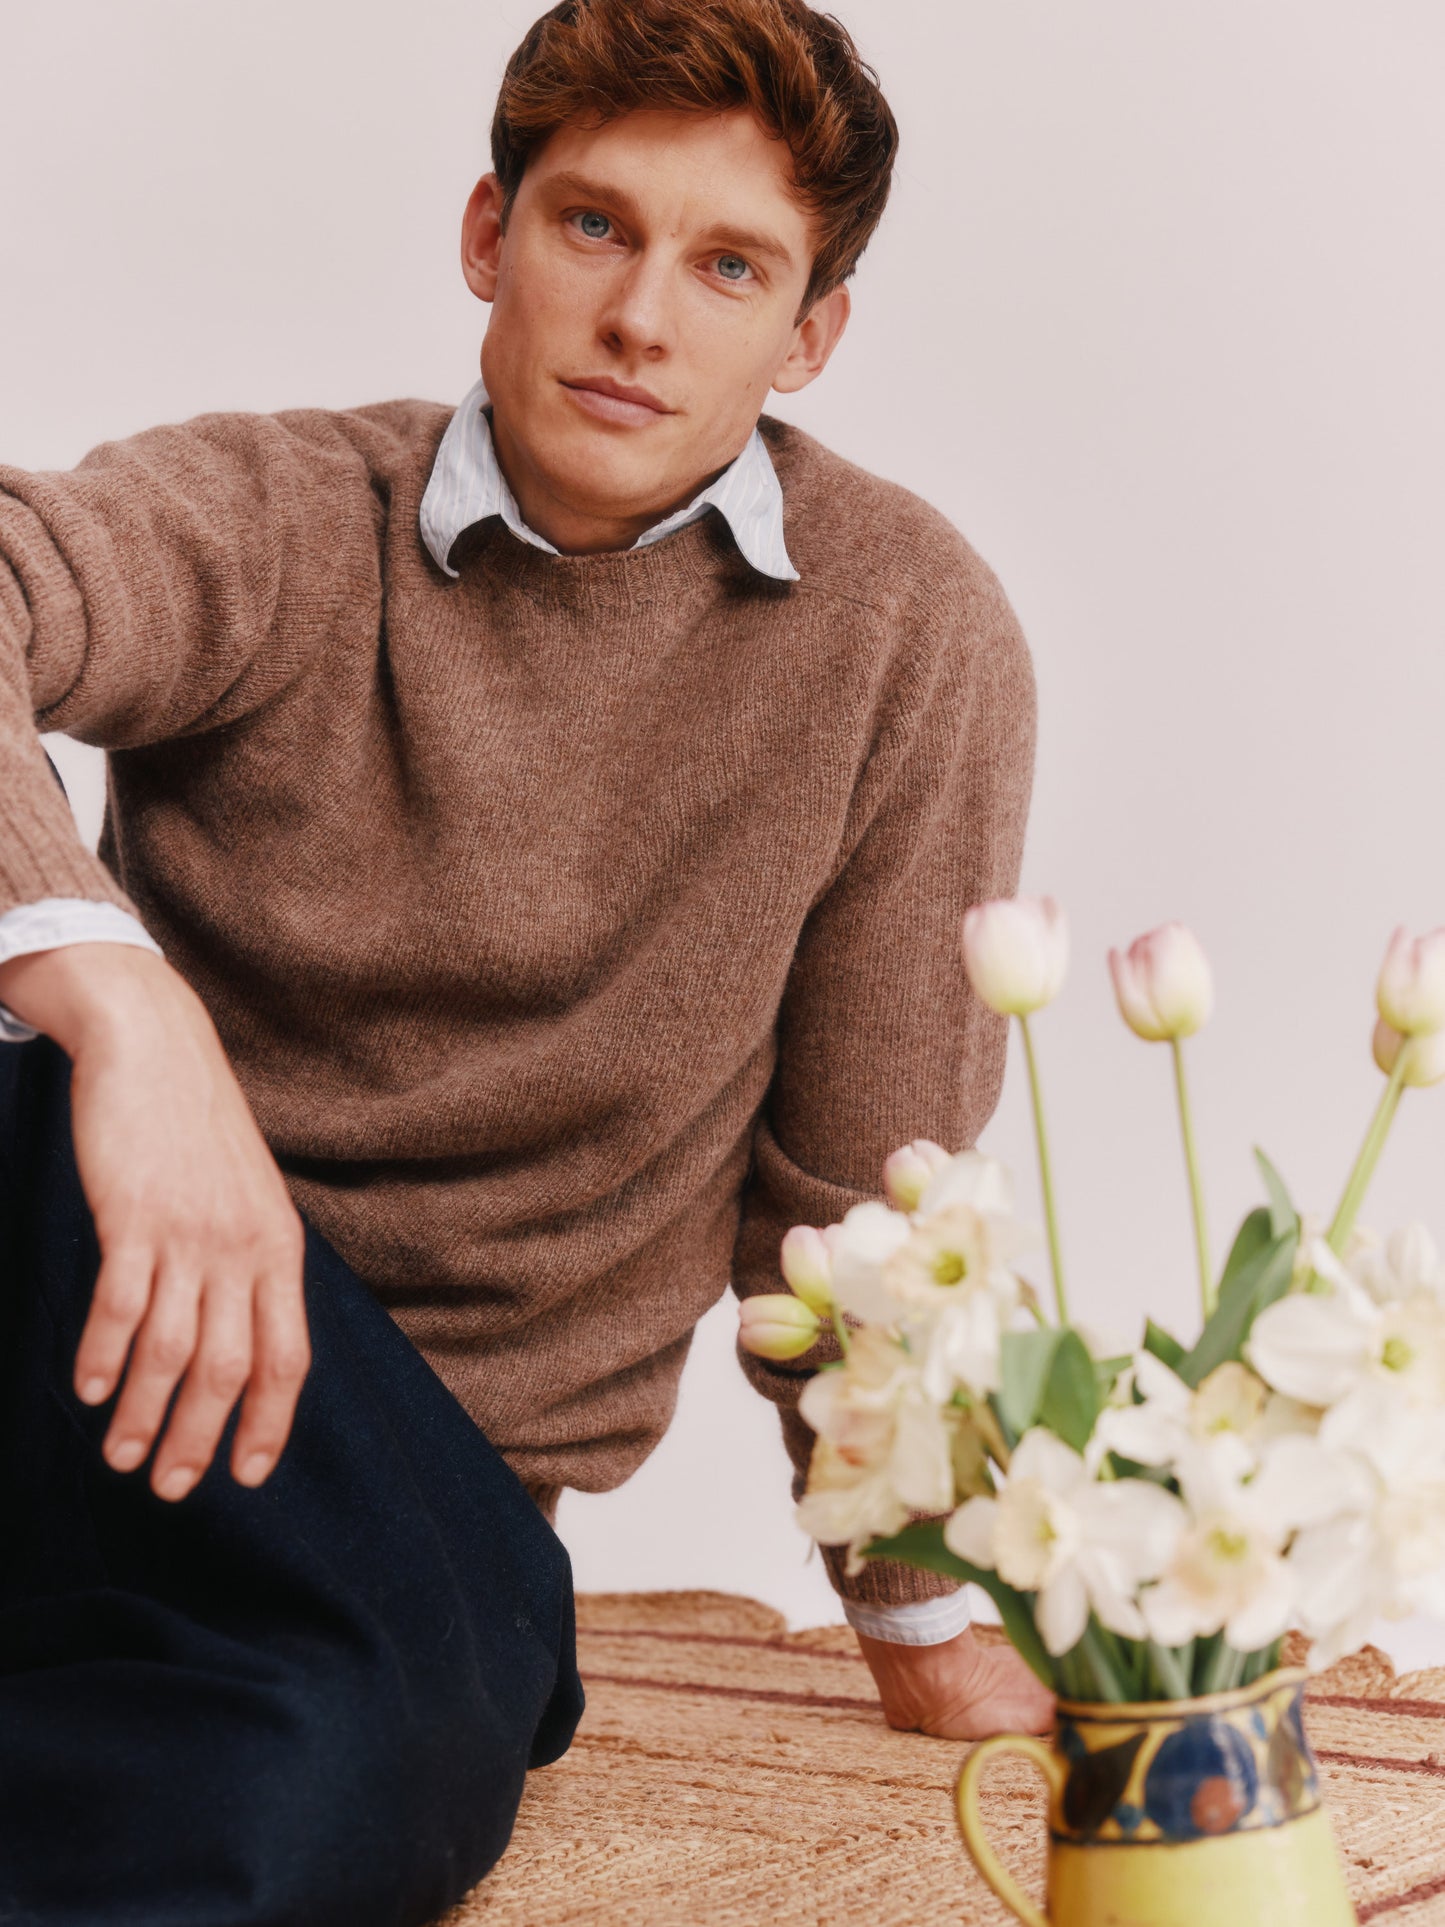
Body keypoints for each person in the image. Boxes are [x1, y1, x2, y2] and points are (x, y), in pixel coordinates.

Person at [0, 0, 1050, 1918]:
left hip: (408, 1496)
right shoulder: (281, 516)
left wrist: (916, 1608)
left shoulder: (906, 632)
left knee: (337, 1788)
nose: (640, 316)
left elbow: (858, 1201)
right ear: (490, 236)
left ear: (807, 333)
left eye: (727, 267)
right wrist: (113, 997)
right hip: (70, 1315)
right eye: (594, 226)